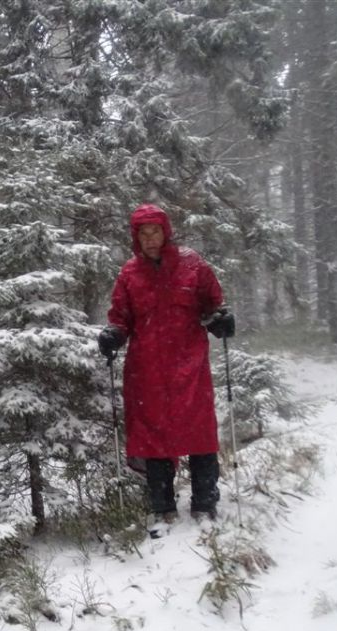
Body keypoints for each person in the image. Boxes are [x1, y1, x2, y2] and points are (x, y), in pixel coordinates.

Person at [97, 204, 235, 523]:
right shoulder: (129, 274)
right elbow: (121, 317)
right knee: (154, 437)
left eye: (155, 231)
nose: (150, 239)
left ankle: (205, 503)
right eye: (143, 234)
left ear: (166, 231)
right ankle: (162, 508)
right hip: (147, 370)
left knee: (199, 432)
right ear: (136, 238)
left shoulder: (193, 265)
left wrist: (220, 321)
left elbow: (213, 304)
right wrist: (113, 336)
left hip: (190, 364)